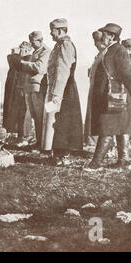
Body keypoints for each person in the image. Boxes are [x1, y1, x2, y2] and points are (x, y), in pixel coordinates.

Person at [87, 23, 131, 169]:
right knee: (121, 127)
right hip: (115, 97)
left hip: (117, 97)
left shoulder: (118, 50)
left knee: (107, 128)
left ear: (111, 36)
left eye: (104, 34)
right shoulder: (110, 50)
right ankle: (124, 161)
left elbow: (129, 74)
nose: (102, 37)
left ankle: (95, 164)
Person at [41, 18, 83, 166]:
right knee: (54, 121)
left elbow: (62, 71)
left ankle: (62, 155)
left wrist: (57, 95)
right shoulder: (58, 46)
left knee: (62, 122)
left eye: (52, 30)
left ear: (59, 30)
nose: (50, 33)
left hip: (64, 90)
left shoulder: (65, 46)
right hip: (58, 89)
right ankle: (55, 153)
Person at [19, 31, 50, 150]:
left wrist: (23, 63)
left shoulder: (45, 52)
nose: (31, 45)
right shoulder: (36, 52)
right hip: (30, 87)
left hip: (37, 88)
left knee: (39, 115)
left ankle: (43, 143)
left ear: (40, 41)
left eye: (33, 42)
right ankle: (38, 142)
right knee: (34, 116)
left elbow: (39, 67)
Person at [2, 41, 33, 146]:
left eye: (24, 49)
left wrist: (15, 54)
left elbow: (18, 63)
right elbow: (10, 60)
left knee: (22, 112)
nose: (21, 51)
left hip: (21, 89)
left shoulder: (28, 59)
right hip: (12, 89)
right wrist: (14, 54)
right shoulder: (17, 59)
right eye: (21, 49)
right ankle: (12, 134)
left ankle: (22, 136)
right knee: (10, 111)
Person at [84, 31, 108, 145]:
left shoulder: (105, 54)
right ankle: (92, 141)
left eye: (96, 41)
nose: (95, 44)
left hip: (100, 90)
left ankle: (98, 142)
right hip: (94, 88)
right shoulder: (99, 55)